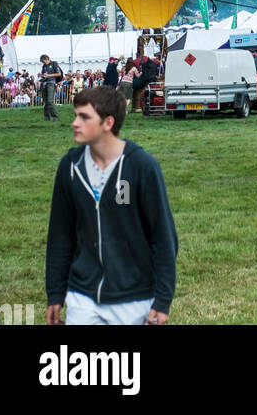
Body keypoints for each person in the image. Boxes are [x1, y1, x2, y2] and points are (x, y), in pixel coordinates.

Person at [45, 85, 177, 326]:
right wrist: (55, 293)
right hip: (82, 295)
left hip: (134, 298)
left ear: (108, 123)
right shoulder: (70, 168)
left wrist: (162, 299)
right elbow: (60, 236)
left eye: (84, 117)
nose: (75, 123)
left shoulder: (142, 166)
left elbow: (163, 236)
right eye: (75, 115)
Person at [39, 55, 63, 122]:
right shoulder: (44, 66)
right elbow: (44, 75)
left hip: (51, 84)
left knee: (50, 101)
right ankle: (46, 118)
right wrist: (43, 76)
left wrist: (48, 75)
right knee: (46, 102)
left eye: (43, 61)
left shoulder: (54, 64)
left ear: (47, 59)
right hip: (44, 84)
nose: (43, 63)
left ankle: (56, 118)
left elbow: (59, 74)